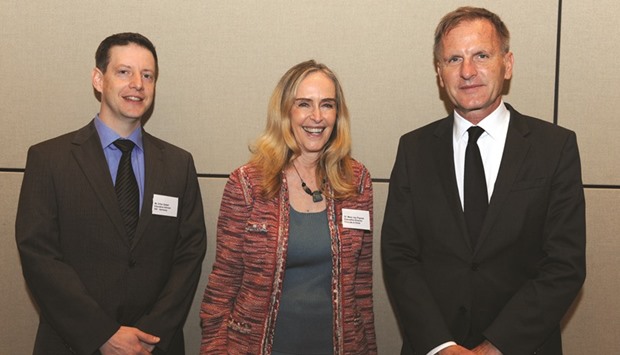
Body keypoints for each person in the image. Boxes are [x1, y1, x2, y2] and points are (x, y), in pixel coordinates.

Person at [381, 6, 585, 355]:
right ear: (439, 72)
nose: (468, 72)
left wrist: (495, 348)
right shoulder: (413, 149)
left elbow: (564, 264)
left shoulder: (555, 147)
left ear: (507, 64)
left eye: (481, 55)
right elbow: (400, 257)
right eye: (453, 59)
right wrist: (442, 346)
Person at [15, 32, 207, 355]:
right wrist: (102, 335)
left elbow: (189, 255)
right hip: (72, 344)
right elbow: (39, 256)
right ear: (98, 79)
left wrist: (149, 335)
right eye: (124, 72)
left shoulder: (179, 165)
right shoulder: (49, 159)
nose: (138, 84)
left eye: (148, 75)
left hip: (154, 346)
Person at [200, 60, 376, 354]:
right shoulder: (247, 184)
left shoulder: (356, 182)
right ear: (285, 112)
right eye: (304, 104)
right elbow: (223, 285)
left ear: (338, 114)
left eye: (327, 105)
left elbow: (362, 288)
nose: (317, 117)